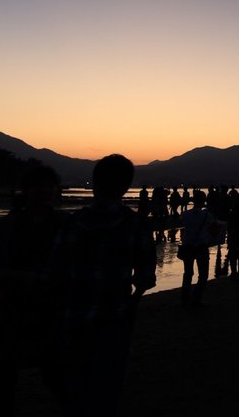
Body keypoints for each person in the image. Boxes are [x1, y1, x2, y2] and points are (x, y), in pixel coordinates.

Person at [49, 154, 156, 416]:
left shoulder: (72, 223)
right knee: (107, 386)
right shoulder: (135, 225)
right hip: (114, 317)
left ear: (95, 184)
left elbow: (55, 272)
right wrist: (133, 300)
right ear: (125, 187)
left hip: (71, 316)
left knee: (74, 386)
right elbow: (145, 275)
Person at [0, 165, 65, 415]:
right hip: (9, 308)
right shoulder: (5, 227)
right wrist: (26, 277)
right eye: (38, 186)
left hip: (52, 309)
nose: (45, 191)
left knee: (57, 374)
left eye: (49, 185)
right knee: (2, 375)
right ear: (26, 190)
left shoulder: (66, 225)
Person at [179, 190, 214, 303]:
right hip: (201, 247)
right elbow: (213, 226)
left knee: (188, 273)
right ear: (203, 201)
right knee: (203, 275)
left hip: (187, 246)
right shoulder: (206, 215)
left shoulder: (185, 214)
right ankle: (196, 298)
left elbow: (182, 224)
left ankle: (185, 297)